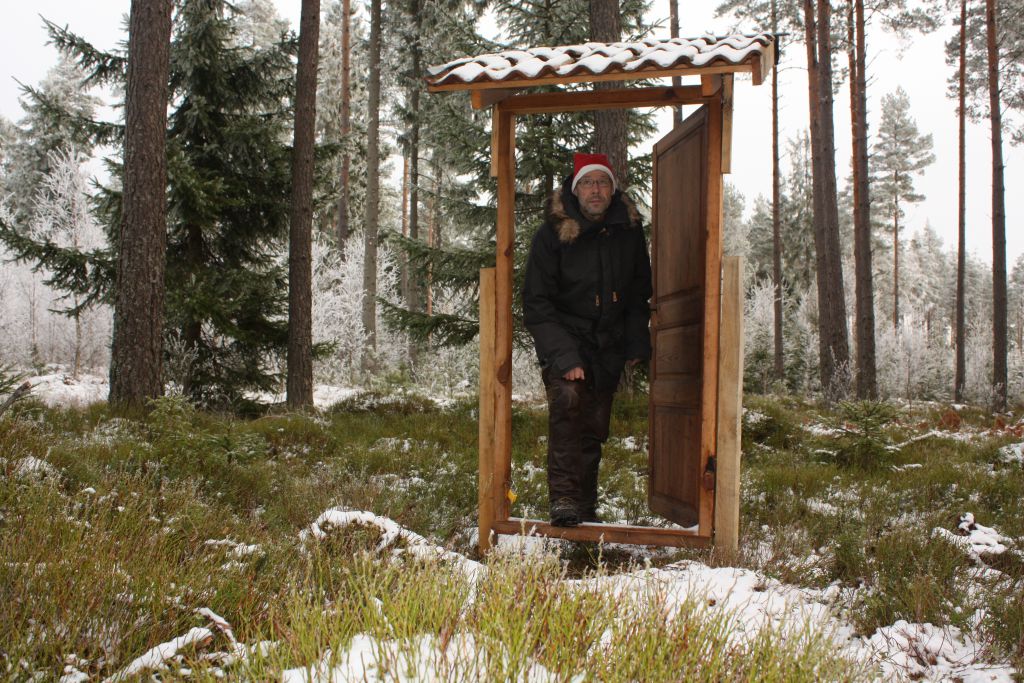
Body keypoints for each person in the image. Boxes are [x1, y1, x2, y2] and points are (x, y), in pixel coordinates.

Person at [521, 152, 652, 527]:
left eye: (603, 182)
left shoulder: (628, 232)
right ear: (576, 189)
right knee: (568, 402)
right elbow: (537, 302)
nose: (596, 190)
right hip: (565, 337)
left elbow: (638, 292)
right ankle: (564, 498)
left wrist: (636, 341)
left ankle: (586, 506)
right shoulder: (552, 234)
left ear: (613, 189)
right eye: (588, 183)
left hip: (608, 343)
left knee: (595, 423)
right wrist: (565, 356)